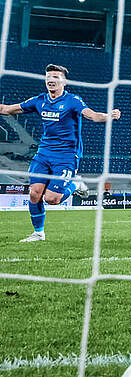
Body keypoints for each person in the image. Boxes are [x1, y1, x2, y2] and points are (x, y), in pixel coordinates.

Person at [0, 64, 118, 243]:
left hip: (66, 156)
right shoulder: (39, 100)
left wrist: (108, 116)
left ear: (64, 82)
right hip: (44, 154)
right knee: (34, 193)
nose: (51, 80)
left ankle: (75, 185)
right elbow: (7, 109)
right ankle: (38, 233)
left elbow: (92, 115)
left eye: (56, 77)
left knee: (52, 199)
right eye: (48, 77)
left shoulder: (73, 101)